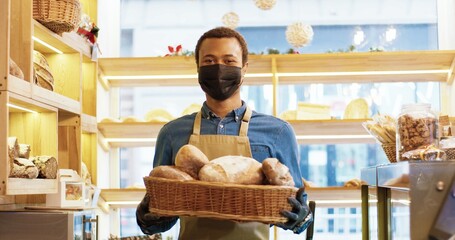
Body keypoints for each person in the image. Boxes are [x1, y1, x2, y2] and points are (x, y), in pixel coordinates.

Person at [136, 26, 313, 240]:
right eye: (209, 61)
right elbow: (163, 214)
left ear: (244, 68)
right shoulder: (172, 133)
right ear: (198, 68)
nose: (219, 68)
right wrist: (148, 219)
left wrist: (300, 218)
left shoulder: (277, 132)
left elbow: (296, 211)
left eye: (229, 61)